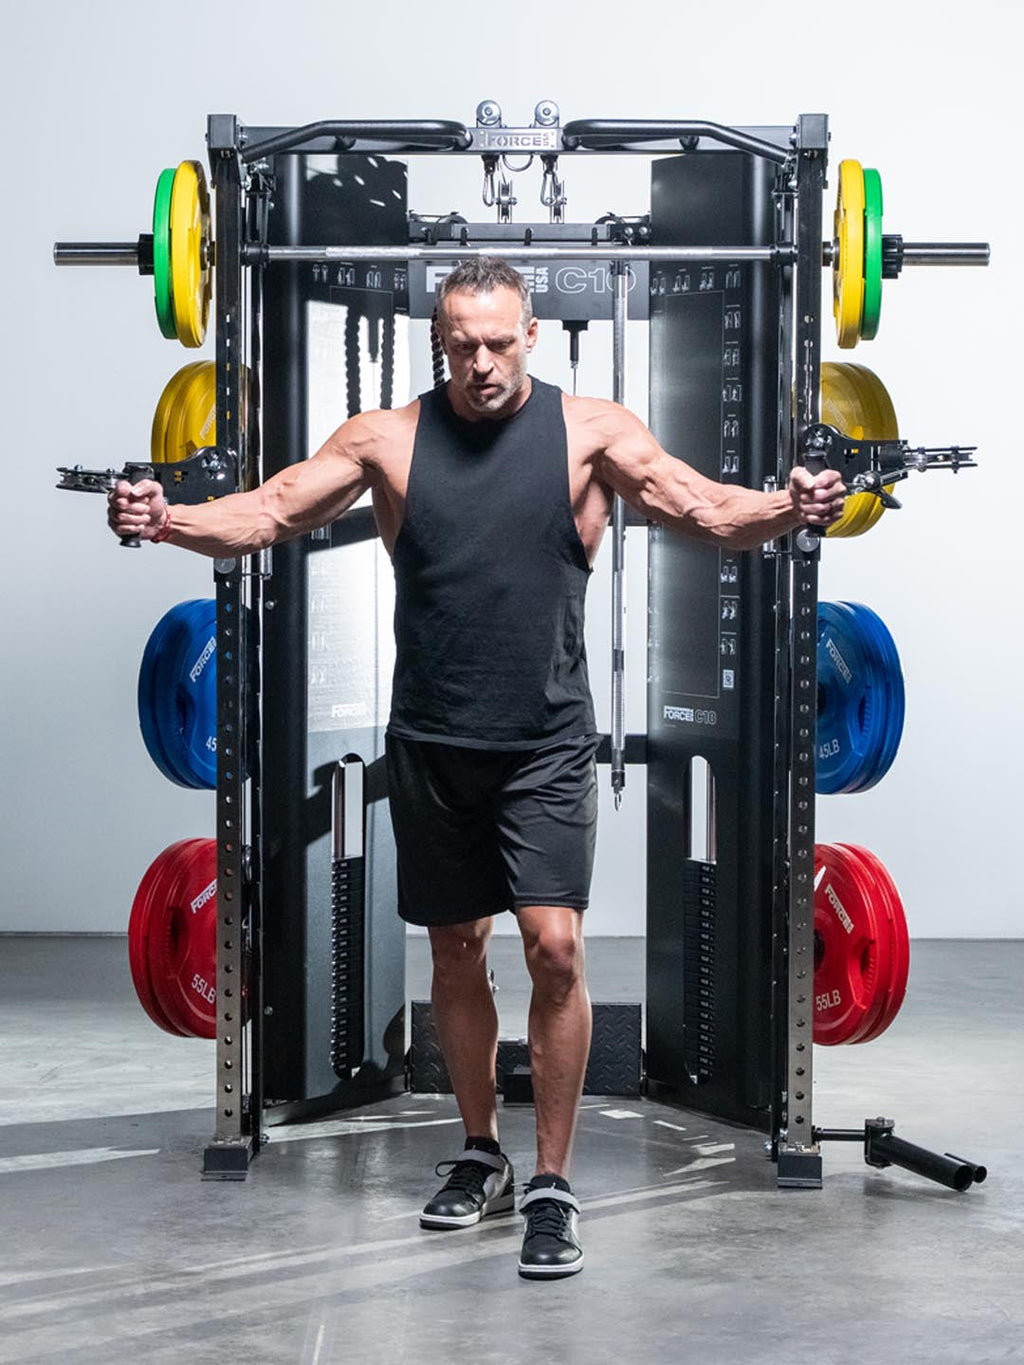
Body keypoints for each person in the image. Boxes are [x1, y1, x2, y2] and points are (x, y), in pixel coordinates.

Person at [109, 257, 845, 1280]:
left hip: (546, 741)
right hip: (433, 742)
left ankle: (552, 1180)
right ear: (438, 341)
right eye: (463, 344)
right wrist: (169, 520)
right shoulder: (385, 439)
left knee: (555, 949)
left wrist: (792, 507)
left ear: (531, 335)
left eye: (500, 342)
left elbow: (710, 511)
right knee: (456, 951)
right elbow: (270, 511)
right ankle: (481, 1151)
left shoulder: (591, 432)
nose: (483, 362)